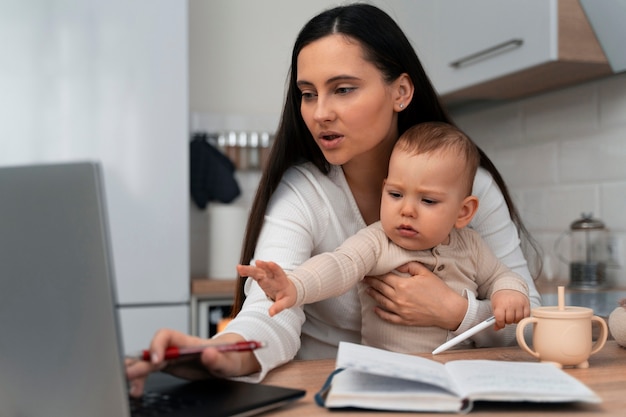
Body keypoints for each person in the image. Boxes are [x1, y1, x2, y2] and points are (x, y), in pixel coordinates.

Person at [126, 3, 542, 396]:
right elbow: (271, 309)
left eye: (343, 89)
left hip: (446, 392)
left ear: (401, 92)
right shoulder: (303, 193)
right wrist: (220, 352)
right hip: (332, 396)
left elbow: (533, 324)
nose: (320, 112)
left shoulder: (472, 188)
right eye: (308, 94)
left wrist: (457, 313)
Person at [237, 122, 530, 353]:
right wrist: (295, 286)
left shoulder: (472, 246)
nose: (406, 211)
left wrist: (509, 293)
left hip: (460, 373)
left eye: (428, 201)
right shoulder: (378, 240)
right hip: (389, 371)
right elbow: (339, 265)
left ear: (463, 212)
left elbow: (502, 276)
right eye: (395, 195)